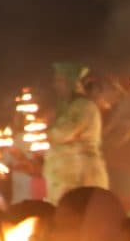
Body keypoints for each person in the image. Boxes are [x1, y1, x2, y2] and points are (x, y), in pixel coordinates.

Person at [45, 62, 110, 200]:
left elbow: (62, 133)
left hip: (81, 177)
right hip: (65, 178)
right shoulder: (66, 107)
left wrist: (47, 126)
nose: (55, 85)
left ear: (71, 82)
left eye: (59, 80)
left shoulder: (84, 107)